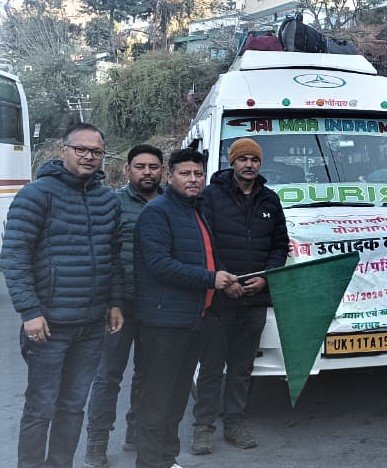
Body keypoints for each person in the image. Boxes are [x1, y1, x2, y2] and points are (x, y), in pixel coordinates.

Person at [1, 122, 124, 468]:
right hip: (49, 325)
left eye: (96, 151)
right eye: (80, 149)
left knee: (72, 407)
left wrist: (115, 302)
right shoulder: (37, 195)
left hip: (92, 326)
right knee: (40, 408)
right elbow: (14, 255)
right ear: (62, 150)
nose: (88, 156)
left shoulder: (107, 200)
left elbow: (113, 256)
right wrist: (29, 311)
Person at [133, 148, 238, 468]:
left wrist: (224, 279)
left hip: (193, 318)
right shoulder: (157, 212)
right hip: (164, 322)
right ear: (170, 176)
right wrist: (211, 279)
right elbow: (159, 265)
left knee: (177, 398)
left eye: (198, 174)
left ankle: (166, 459)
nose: (193, 179)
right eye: (185, 173)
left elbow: (205, 257)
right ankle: (149, 463)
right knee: (157, 399)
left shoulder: (196, 210)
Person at [192, 138, 290, 454]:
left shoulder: (270, 200)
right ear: (232, 162)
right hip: (219, 299)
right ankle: (203, 428)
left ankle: (234, 423)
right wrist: (223, 279)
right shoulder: (211, 195)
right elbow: (204, 242)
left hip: (254, 299)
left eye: (254, 159)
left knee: (241, 368)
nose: (249, 165)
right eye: (243, 159)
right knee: (211, 367)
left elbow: (280, 245)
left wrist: (266, 277)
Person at [84, 144, 164, 466]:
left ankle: (136, 431)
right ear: (128, 170)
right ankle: (97, 441)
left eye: (153, 167)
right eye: (140, 166)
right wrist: (110, 300)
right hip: (119, 305)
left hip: (157, 306)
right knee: (108, 376)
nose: (147, 172)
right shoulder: (113, 203)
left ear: (163, 171)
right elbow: (103, 254)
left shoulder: (171, 203)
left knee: (148, 374)